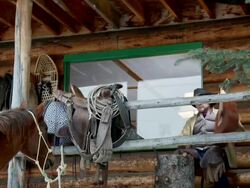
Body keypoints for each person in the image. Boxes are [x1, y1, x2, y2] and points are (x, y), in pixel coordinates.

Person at [181, 88, 230, 188]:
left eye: (202, 100)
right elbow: (183, 136)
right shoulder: (191, 120)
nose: (199, 103)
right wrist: (184, 148)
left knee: (214, 156)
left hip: (215, 150)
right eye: (197, 102)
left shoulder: (219, 114)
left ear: (209, 101)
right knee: (179, 154)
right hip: (197, 152)